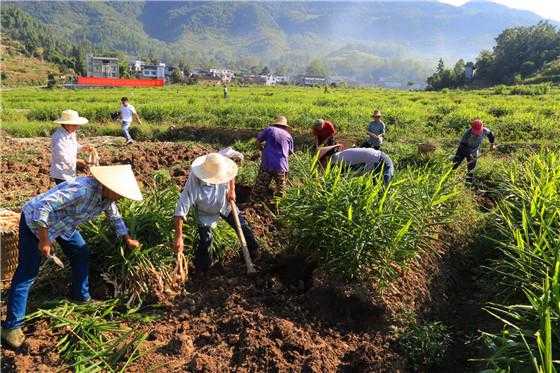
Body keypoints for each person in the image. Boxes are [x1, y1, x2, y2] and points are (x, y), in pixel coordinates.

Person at [1, 165, 143, 349]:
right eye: (120, 193)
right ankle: (11, 326)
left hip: (63, 225)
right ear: (109, 187)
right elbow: (43, 207)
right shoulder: (82, 190)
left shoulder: (107, 199)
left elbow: (115, 217)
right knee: (28, 272)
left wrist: (127, 239)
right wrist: (44, 240)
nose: (122, 197)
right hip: (36, 224)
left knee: (81, 253)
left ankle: (80, 295)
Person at [173, 153, 259, 273]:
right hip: (204, 211)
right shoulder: (195, 179)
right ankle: (202, 270)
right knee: (206, 240)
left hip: (225, 204)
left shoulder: (222, 167)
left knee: (243, 227)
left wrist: (232, 190)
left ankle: (254, 255)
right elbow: (182, 206)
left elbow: (231, 174)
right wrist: (178, 237)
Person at [253, 115, 294, 198]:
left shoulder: (269, 129)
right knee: (281, 191)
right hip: (282, 166)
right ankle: (278, 208)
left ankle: (255, 204)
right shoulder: (288, 136)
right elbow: (290, 152)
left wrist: (262, 149)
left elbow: (257, 141)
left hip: (267, 163)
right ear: (285, 126)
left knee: (260, 189)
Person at [50, 109, 94, 185]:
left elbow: (73, 146)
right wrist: (78, 161)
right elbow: (61, 156)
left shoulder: (71, 133)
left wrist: (83, 147)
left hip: (69, 170)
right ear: (66, 124)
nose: (77, 127)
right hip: (61, 173)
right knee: (65, 191)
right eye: (74, 125)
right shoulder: (58, 137)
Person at [318, 144, 394, 185]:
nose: (322, 164)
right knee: (377, 185)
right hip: (379, 158)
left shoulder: (338, 159)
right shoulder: (339, 156)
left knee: (383, 187)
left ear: (326, 158)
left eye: (322, 161)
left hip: (380, 161)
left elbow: (348, 175)